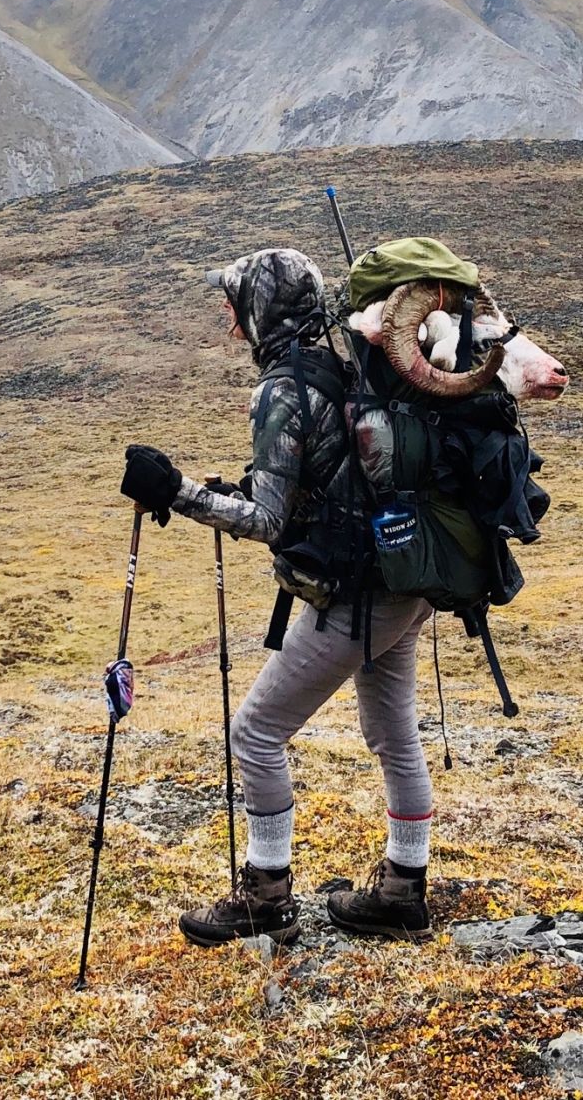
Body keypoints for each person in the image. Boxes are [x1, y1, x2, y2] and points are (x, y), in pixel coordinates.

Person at [119, 246, 435, 949]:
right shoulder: (339, 367)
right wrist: (225, 492)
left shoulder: (283, 390)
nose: (232, 323)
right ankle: (402, 892)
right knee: (391, 731)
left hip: (355, 597)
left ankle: (266, 896)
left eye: (237, 307)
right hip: (403, 580)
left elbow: (265, 519)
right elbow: (304, 490)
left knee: (255, 732)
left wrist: (178, 493)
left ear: (264, 313)